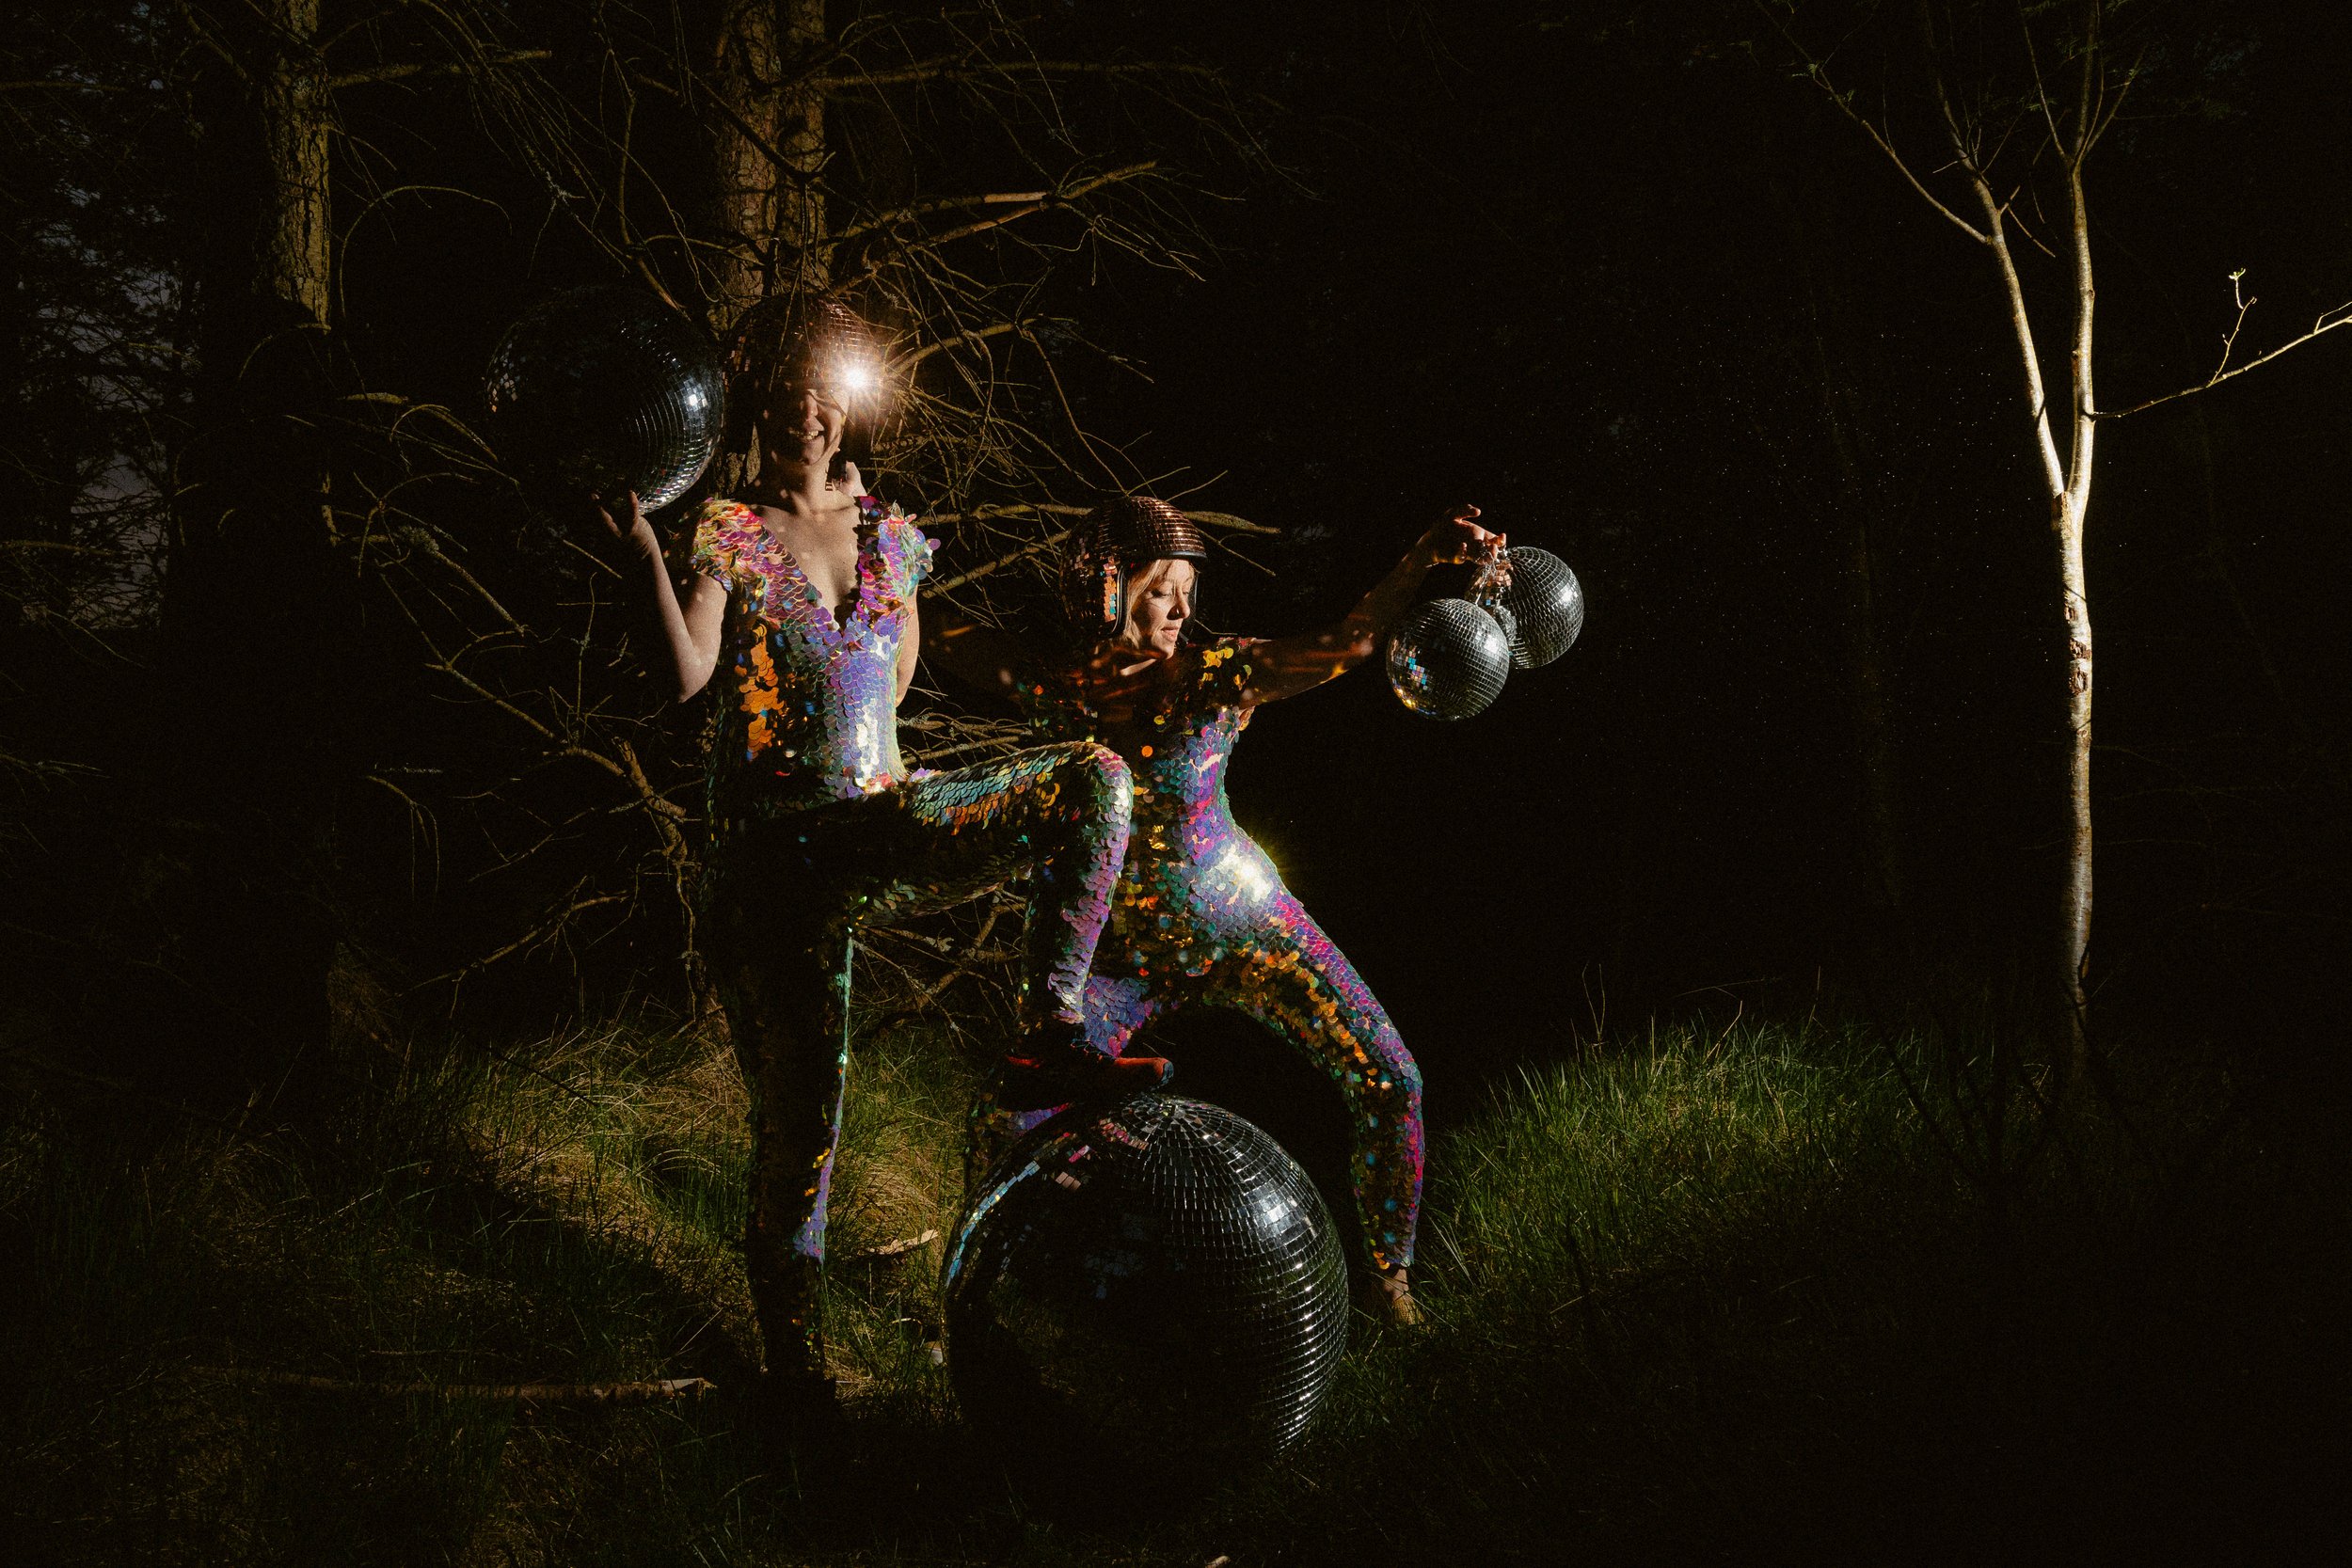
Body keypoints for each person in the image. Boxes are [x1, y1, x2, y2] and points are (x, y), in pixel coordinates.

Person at [588, 297, 1167, 1419]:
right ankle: (797, 1381)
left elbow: (890, 691)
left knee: (1093, 777)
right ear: (755, 401)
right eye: (783, 391)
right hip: (772, 861)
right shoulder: (730, 530)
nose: (804, 411)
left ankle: (1050, 1032)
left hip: (877, 819)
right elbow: (688, 678)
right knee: (803, 1132)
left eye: (822, 389)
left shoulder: (893, 535)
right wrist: (646, 561)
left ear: (847, 401)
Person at [942, 494, 1502, 1327]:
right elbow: (943, 638)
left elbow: (1345, 645)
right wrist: (875, 555)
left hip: (1247, 926)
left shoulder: (1218, 674)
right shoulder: (1057, 689)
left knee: (1393, 1078)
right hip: (1119, 962)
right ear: (1103, 583)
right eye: (1160, 587)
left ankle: (1391, 1289)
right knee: (1009, 1119)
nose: (1181, 607)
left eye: (1188, 590)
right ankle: (975, 1312)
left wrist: (1422, 560)